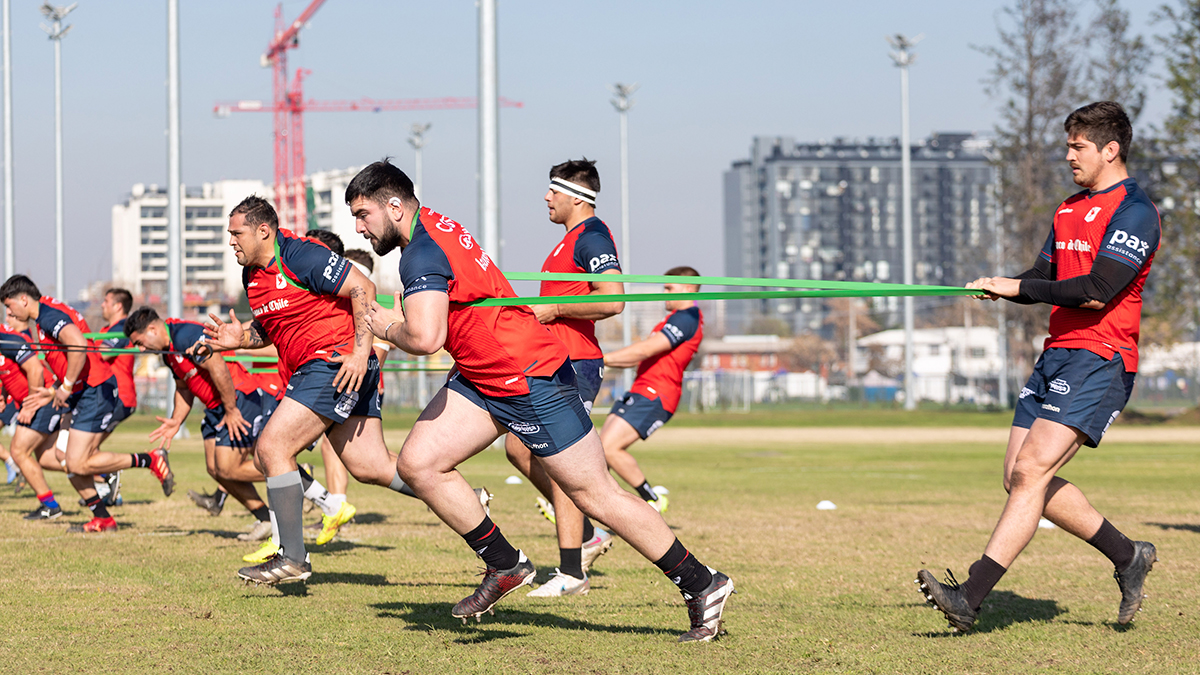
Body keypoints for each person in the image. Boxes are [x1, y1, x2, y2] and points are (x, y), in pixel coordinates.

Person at [351, 159, 733, 642]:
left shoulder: (422, 252)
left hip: (526, 376)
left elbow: (426, 337)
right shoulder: (435, 226)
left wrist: (380, 321)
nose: (360, 228)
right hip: (483, 374)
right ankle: (504, 564)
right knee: (419, 462)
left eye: (363, 215)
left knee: (595, 495)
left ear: (393, 205)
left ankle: (703, 584)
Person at [916, 101, 1160, 632]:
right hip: (1057, 353)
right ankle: (1128, 556)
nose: (1068, 155)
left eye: (1078, 146)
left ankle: (969, 598)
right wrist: (1001, 285)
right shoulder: (1068, 209)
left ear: (1110, 149)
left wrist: (1017, 287)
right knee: (1018, 477)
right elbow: (1042, 276)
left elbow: (1097, 292)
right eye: (1068, 145)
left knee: (1031, 472)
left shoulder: (1135, 211)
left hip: (1103, 355)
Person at [202, 196, 433, 584]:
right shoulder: (252, 277)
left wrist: (361, 353)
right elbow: (269, 328)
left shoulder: (300, 254)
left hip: (332, 362)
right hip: (333, 368)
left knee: (272, 448)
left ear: (264, 231)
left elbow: (362, 286)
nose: (231, 242)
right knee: (370, 466)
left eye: (236, 234)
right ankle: (464, 497)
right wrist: (240, 336)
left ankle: (292, 557)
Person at [503, 158, 625, 597]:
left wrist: (553, 309)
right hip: (552, 361)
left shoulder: (591, 236)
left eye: (552, 191)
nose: (546, 197)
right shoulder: (567, 242)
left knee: (560, 461)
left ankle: (572, 572)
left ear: (576, 197)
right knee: (518, 448)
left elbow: (613, 301)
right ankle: (588, 530)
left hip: (576, 363)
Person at [124, 307, 307, 554]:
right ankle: (264, 517)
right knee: (216, 470)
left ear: (153, 329)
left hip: (235, 398)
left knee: (228, 467)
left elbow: (218, 366)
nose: (140, 349)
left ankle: (294, 477)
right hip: (214, 407)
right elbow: (184, 387)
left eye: (140, 342)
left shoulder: (186, 335)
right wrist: (177, 420)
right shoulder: (168, 352)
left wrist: (231, 409)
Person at [0, 276, 174, 531]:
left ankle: (150, 460)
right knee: (65, 461)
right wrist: (55, 390)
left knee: (77, 462)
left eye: (9, 305)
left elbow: (79, 345)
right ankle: (102, 518)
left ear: (23, 300)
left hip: (94, 389)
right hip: (80, 393)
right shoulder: (44, 314)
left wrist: (66, 386)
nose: (8, 312)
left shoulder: (48, 315)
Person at [601, 267, 703, 514]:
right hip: (641, 390)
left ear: (688, 288)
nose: (664, 293)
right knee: (599, 452)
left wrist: (598, 359)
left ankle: (651, 499)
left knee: (607, 448)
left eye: (669, 288)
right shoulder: (671, 319)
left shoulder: (686, 318)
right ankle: (580, 508)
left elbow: (645, 350)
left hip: (656, 394)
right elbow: (637, 356)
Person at [95, 287, 137, 505]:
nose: (102, 304)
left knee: (83, 448)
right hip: (106, 398)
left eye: (106, 301)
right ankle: (105, 487)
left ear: (118, 306)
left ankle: (108, 475)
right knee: (85, 447)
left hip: (119, 398)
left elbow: (100, 354)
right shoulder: (106, 328)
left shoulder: (122, 328)